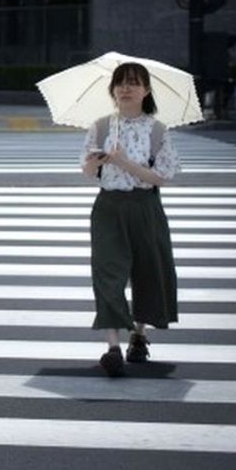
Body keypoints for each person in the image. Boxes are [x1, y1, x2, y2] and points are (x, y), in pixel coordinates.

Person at [79, 62, 180, 377]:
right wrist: (93, 162)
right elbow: (88, 172)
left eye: (133, 83)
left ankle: (139, 334)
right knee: (107, 273)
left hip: (144, 206)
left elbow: (161, 177)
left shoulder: (158, 130)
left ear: (146, 90)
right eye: (120, 83)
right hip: (108, 206)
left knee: (148, 271)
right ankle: (113, 348)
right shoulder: (100, 126)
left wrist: (124, 162)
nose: (125, 88)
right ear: (112, 90)